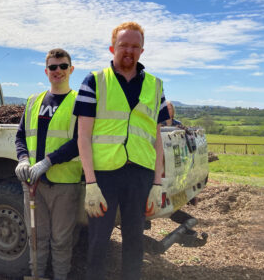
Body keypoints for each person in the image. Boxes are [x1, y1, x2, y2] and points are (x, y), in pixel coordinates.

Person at [74, 22, 170, 280]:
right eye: (123, 45)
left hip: (140, 176)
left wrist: (157, 183)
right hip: (104, 176)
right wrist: (90, 182)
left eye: (135, 46)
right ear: (112, 47)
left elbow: (157, 137)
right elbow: (82, 136)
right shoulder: (94, 81)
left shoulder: (156, 85)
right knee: (98, 241)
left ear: (142, 50)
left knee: (134, 240)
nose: (129, 51)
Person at [15, 48, 82, 280]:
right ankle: (37, 275)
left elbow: (79, 141)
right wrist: (23, 158)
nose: (58, 71)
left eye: (63, 66)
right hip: (33, 183)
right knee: (36, 236)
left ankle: (61, 277)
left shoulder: (79, 101)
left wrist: (48, 162)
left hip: (64, 183)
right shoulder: (34, 101)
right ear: (46, 71)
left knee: (61, 240)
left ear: (71, 69)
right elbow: (21, 135)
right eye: (53, 67)